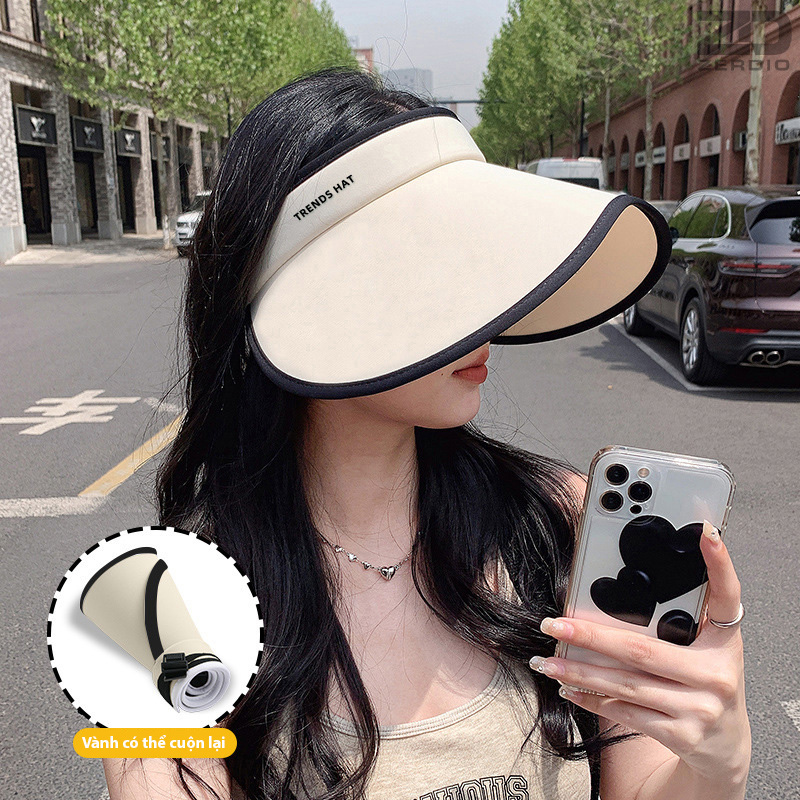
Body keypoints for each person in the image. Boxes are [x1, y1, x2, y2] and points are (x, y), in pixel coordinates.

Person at [103, 66, 750, 800]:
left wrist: (715, 762)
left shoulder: (558, 522)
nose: (483, 314)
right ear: (310, 298)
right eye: (431, 270)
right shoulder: (162, 608)